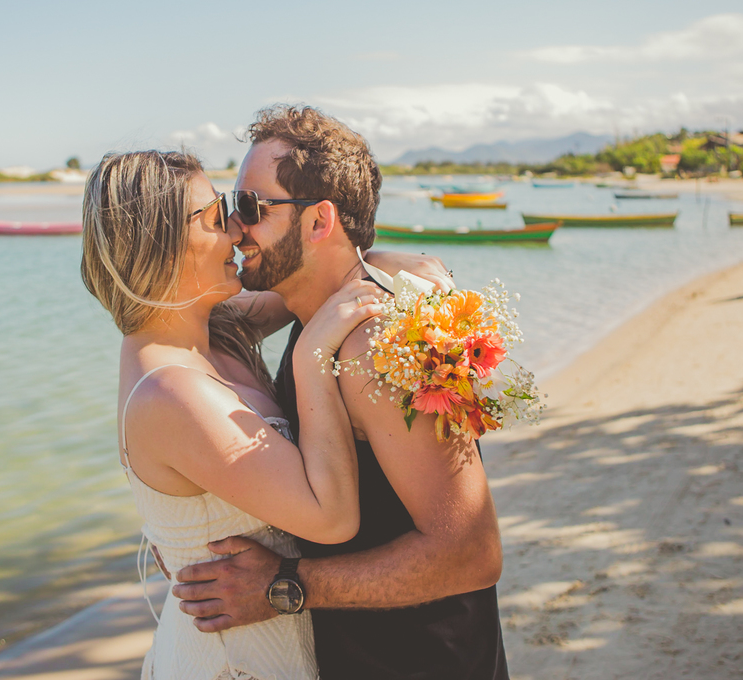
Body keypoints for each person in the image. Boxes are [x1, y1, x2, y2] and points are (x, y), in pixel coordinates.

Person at [80, 149, 452, 680]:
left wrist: (391, 263)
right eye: (215, 217)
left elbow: (322, 273)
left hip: (283, 637)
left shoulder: (213, 330)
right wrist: (310, 361)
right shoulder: (170, 392)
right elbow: (333, 518)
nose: (237, 230)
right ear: (161, 243)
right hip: (236, 660)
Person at [171, 105, 509, 680]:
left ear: (319, 222)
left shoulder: (371, 349)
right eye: (231, 209)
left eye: (250, 208)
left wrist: (282, 586)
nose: (234, 228)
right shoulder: (317, 306)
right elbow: (178, 321)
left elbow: (472, 554)